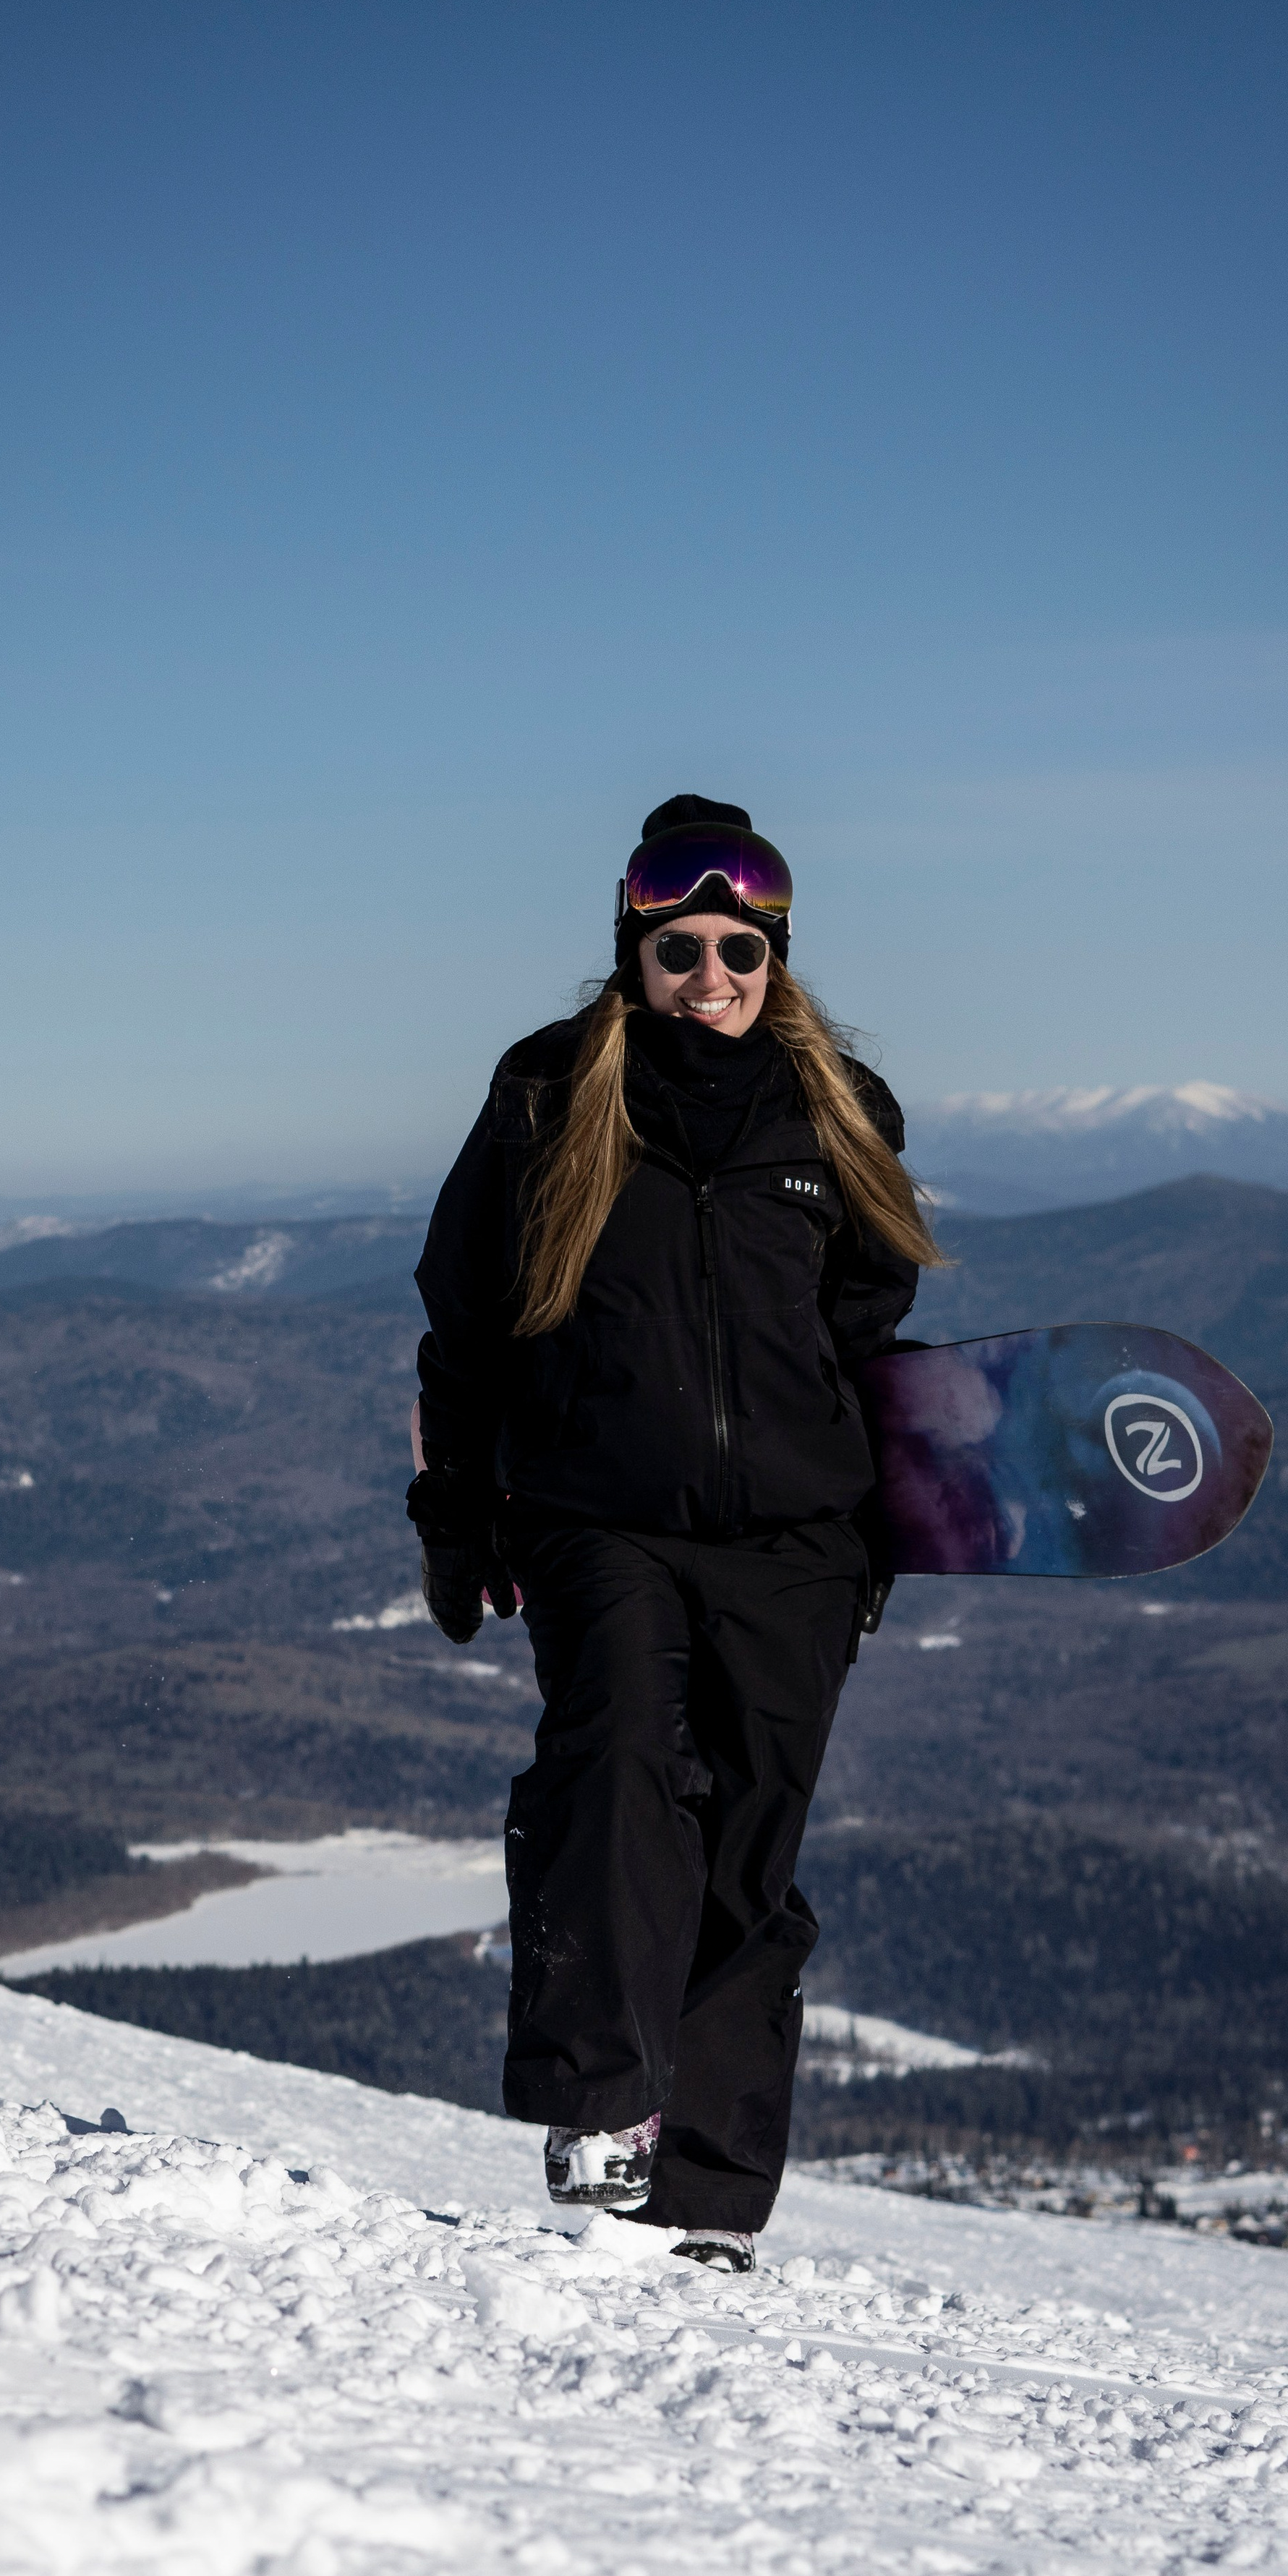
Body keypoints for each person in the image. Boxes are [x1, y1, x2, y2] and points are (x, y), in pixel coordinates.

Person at [407, 794, 940, 2272]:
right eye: (677, 946)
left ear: (775, 954)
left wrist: (876, 1537)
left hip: (795, 1546)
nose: (710, 971)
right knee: (617, 1762)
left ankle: (704, 2204)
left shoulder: (841, 1108)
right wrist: (455, 1512)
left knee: (747, 1854)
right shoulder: (545, 1093)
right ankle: (600, 2103)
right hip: (596, 1518)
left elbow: (869, 1344)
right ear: (631, 952)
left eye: (738, 948)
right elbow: (462, 1320)